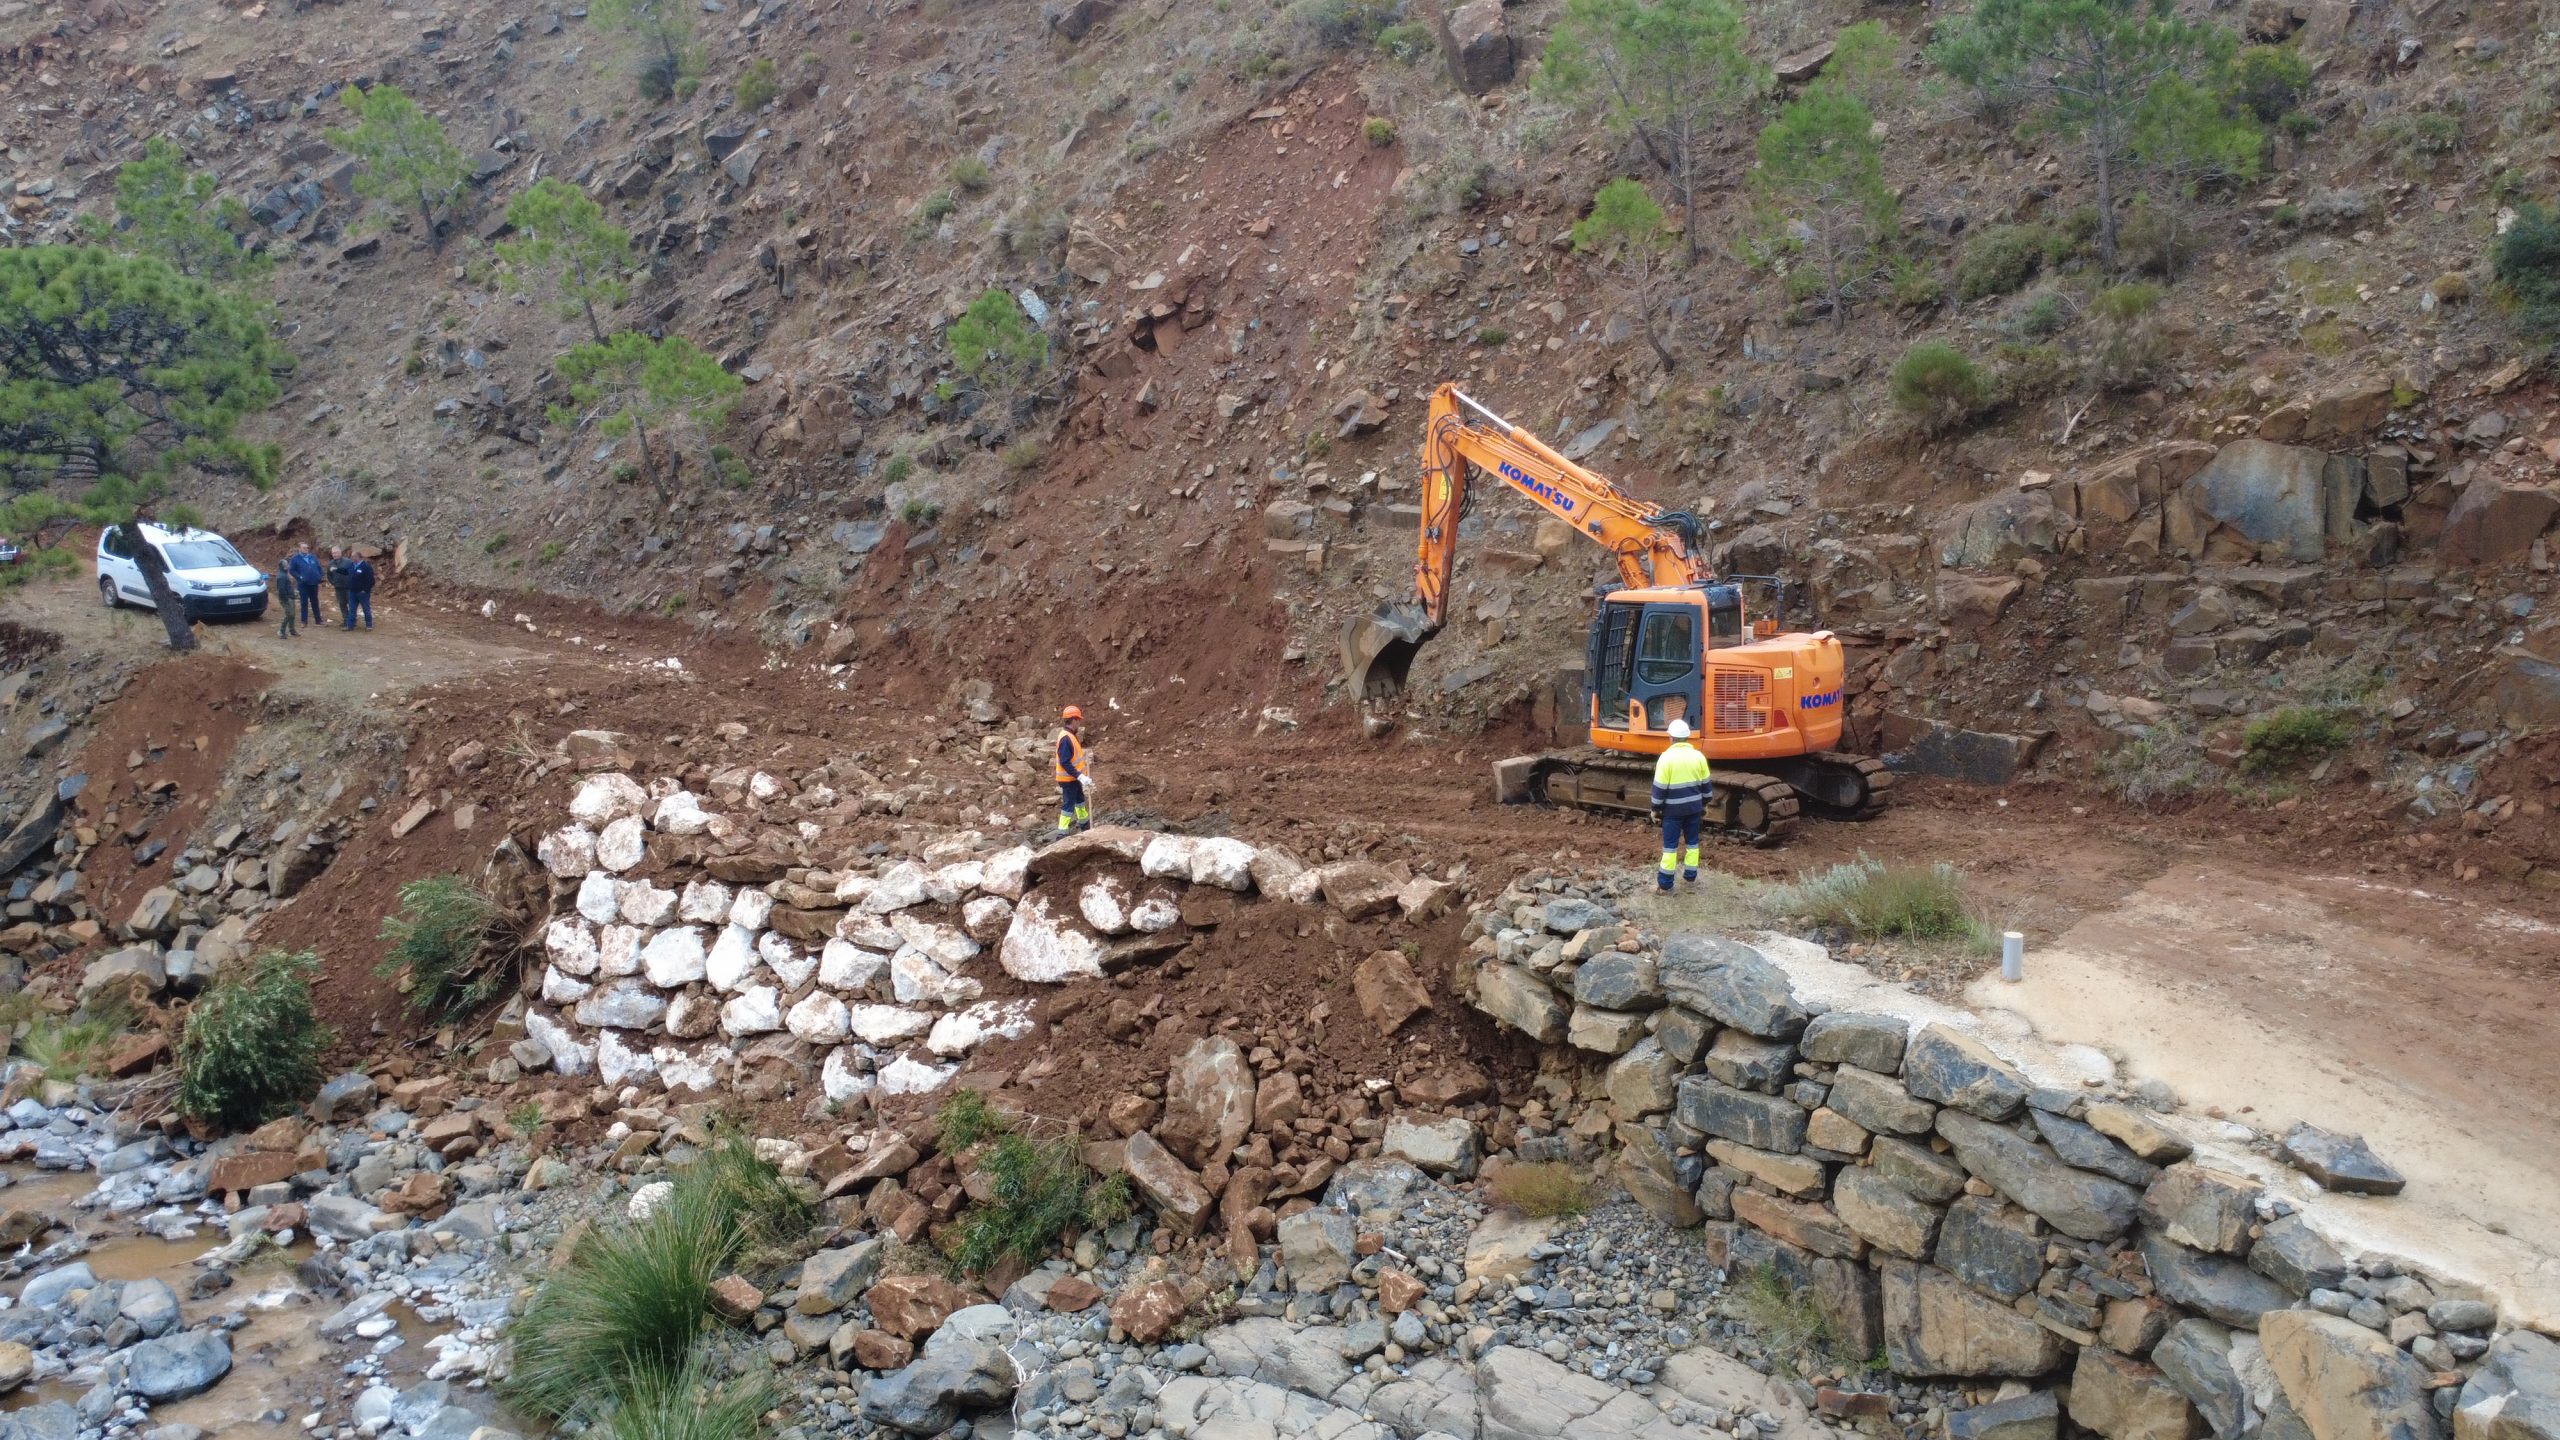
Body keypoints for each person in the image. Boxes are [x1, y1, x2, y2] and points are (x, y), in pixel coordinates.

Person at [1649, 719, 1712, 892]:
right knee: (1692, 844)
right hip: (1693, 809)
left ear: (1671, 738)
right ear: (1687, 738)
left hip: (1672, 811)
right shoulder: (1698, 756)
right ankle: (1690, 878)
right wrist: (1704, 804)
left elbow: (1660, 788)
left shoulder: (1666, 758)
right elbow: (1706, 786)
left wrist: (1655, 809)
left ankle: (1665, 884)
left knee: (1670, 847)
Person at [1054, 705, 1092, 835]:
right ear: (1074, 720)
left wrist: (1081, 776)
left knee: (1080, 802)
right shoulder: (1066, 738)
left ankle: (1085, 826)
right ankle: (1062, 834)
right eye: (1079, 720)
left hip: (1074, 778)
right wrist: (1080, 776)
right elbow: (1065, 762)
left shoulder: (1071, 735)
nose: (1080, 723)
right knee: (1068, 807)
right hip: (1068, 779)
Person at [286, 543, 326, 629]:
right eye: (304, 548)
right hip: (303, 584)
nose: (306, 549)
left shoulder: (312, 557)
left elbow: (319, 567)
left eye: (307, 548)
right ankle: (304, 621)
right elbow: (292, 570)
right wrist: (299, 577)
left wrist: (320, 577)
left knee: (315, 601)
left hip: (314, 583)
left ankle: (318, 620)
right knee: (304, 602)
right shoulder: (295, 559)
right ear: (299, 549)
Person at [343, 549, 376, 629]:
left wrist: (365, 590)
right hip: (352, 592)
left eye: (354, 556)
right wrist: (336, 570)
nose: (352, 558)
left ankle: (369, 625)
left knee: (366, 609)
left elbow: (371, 580)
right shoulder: (352, 565)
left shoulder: (366, 566)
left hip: (362, 593)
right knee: (352, 609)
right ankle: (350, 625)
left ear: (359, 557)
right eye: (351, 557)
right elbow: (346, 572)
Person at [325, 547, 354, 628]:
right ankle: (346, 620)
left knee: (351, 604)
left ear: (340, 552)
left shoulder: (348, 562)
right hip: (338, 587)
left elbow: (352, 573)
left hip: (348, 587)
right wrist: (333, 582)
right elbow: (329, 575)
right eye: (333, 553)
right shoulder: (331, 563)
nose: (334, 554)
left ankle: (352, 621)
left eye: (336, 552)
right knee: (342, 604)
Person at [271, 562, 299, 638]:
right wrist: (286, 599)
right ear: (282, 567)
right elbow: (281, 590)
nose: (288, 566)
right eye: (286, 565)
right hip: (286, 598)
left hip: (290, 597)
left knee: (292, 614)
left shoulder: (285, 574)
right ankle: (281, 631)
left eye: (287, 564)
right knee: (289, 614)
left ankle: (292, 630)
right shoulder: (282, 576)